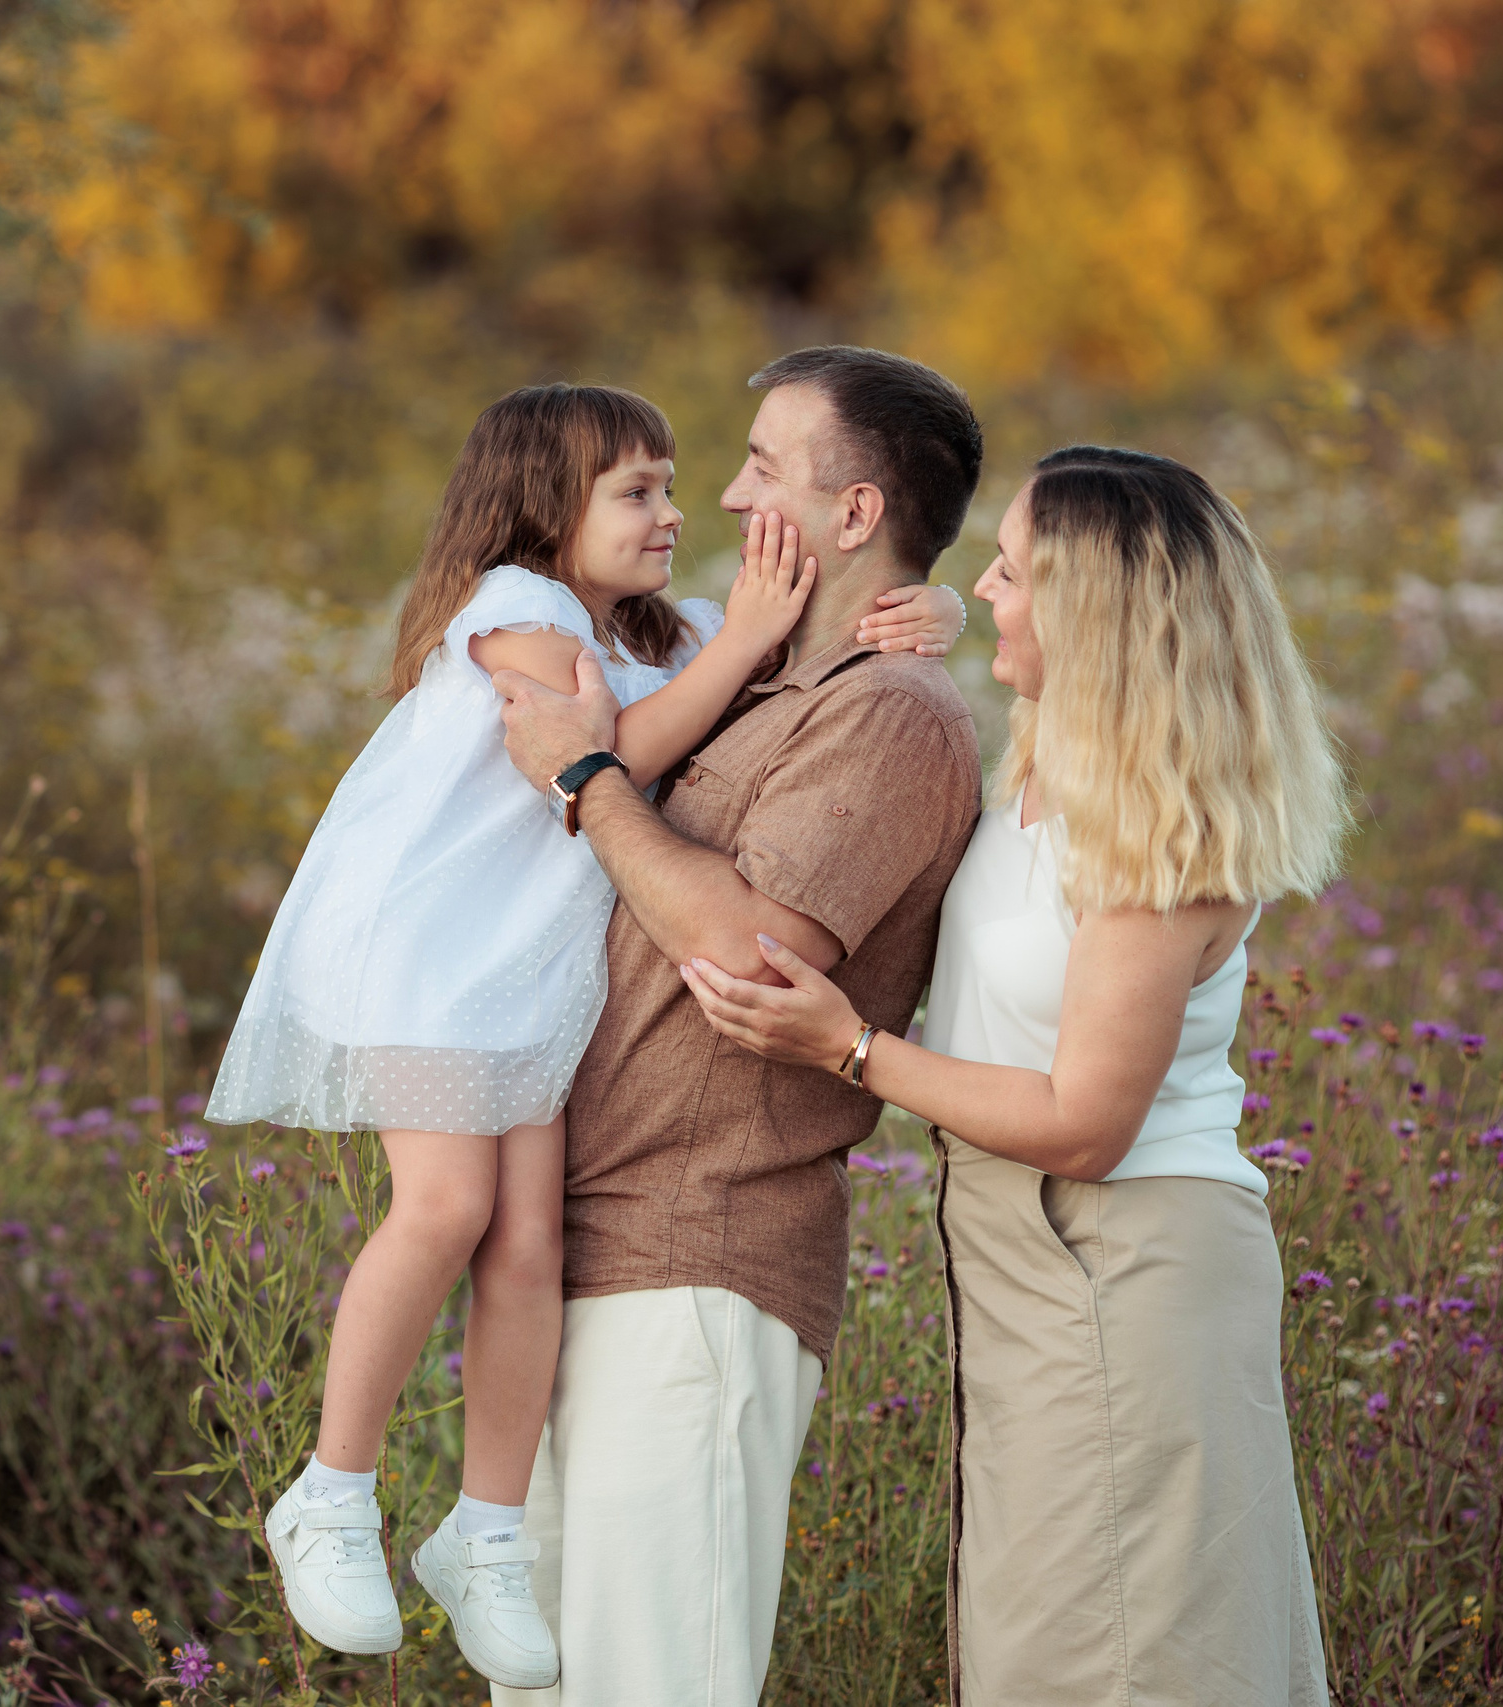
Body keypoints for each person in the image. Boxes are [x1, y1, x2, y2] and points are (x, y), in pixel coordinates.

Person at [204, 381, 966, 1689]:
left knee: (525, 1244)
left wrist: (928, 606)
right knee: (445, 1209)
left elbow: (788, 663)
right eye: (640, 490)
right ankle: (330, 1492)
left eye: (688, 480)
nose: (687, 509)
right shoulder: (520, 606)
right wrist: (744, 640)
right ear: (544, 504)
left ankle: (485, 1534)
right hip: (439, 958)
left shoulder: (665, 632)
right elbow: (601, 748)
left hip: (527, 982)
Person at [677, 446, 1348, 1704]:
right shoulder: (1046, 768)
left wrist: (847, 1048)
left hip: (1120, 1249)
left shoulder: (1161, 833)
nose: (980, 588)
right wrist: (937, 619)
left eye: (1012, 572)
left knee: (1123, 1653)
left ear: (1096, 617)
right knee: (1048, 1639)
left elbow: (1085, 1125)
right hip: (1023, 1249)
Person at [486, 346, 987, 1706]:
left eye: (763, 466)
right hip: (574, 1255)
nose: (723, 493)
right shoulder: (747, 677)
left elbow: (748, 954)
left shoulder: (892, 713)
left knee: (653, 1682)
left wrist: (588, 780)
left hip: (697, 1263)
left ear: (855, 512)